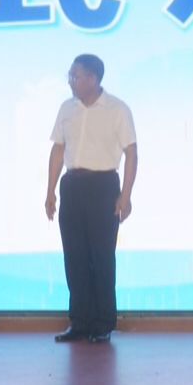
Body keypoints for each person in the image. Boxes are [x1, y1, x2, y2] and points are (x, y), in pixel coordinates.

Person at [44, 54, 138, 343]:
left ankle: (103, 323)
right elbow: (58, 150)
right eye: (70, 75)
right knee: (74, 256)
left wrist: (126, 195)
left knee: (101, 257)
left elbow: (131, 153)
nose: (71, 80)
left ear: (93, 78)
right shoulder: (66, 108)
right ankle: (79, 321)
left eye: (76, 75)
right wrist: (50, 191)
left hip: (104, 186)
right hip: (72, 185)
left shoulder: (117, 109)